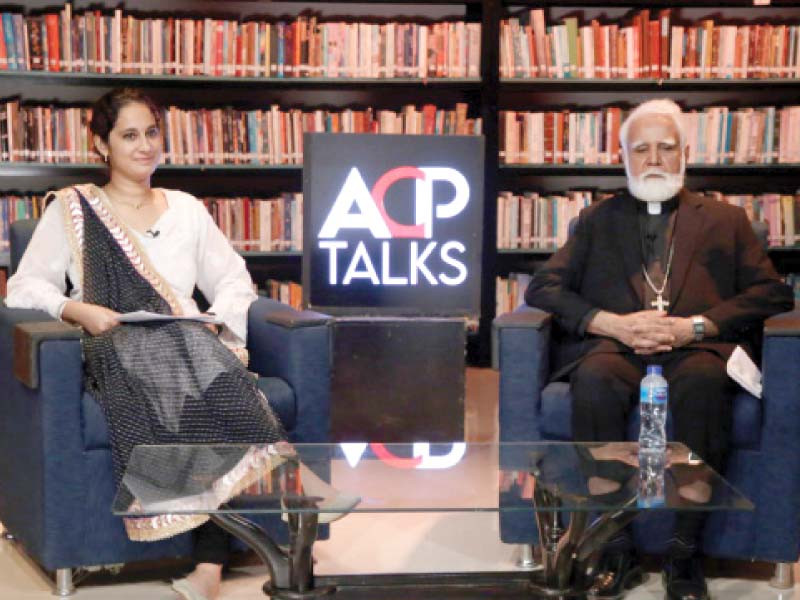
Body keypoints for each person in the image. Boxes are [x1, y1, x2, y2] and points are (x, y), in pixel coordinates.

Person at [3, 88, 343, 600]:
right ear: (102, 145)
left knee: (216, 386)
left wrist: (214, 321)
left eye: (152, 133)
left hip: (191, 344)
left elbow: (233, 281)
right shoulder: (73, 211)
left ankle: (217, 565)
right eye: (129, 135)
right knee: (196, 387)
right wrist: (81, 310)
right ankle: (266, 525)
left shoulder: (186, 210)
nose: (144, 146)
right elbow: (23, 289)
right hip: (116, 344)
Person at [524, 98, 794, 600]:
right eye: (640, 149)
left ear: (684, 154)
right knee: (595, 380)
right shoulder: (596, 219)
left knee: (701, 381)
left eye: (664, 149)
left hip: (696, 348)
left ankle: (683, 552)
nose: (653, 160)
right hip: (617, 348)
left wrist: (697, 326)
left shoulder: (725, 220)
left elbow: (773, 292)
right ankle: (615, 547)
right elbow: (542, 289)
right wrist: (612, 324)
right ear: (623, 157)